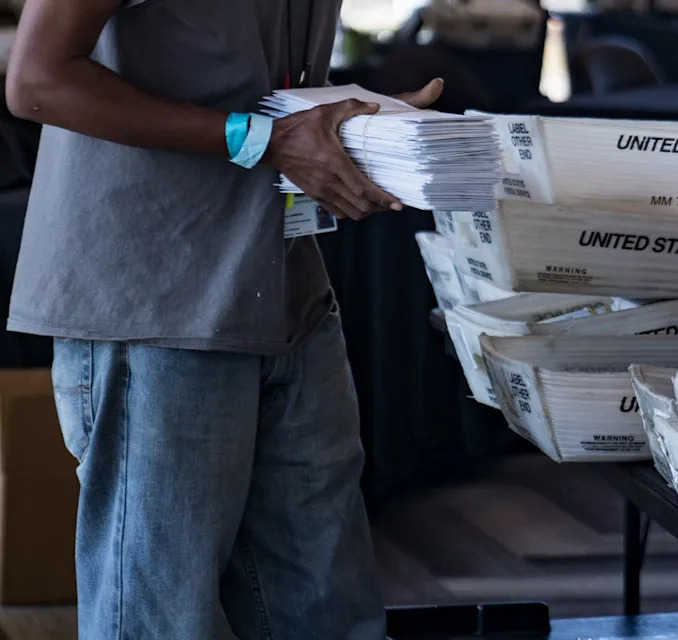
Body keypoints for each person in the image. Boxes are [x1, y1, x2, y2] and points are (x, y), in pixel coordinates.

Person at [5, 1, 443, 638]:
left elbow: (260, 85)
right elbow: (37, 80)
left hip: (286, 287)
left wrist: (364, 128)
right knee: (163, 621)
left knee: (328, 611)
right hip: (156, 305)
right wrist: (260, 139)